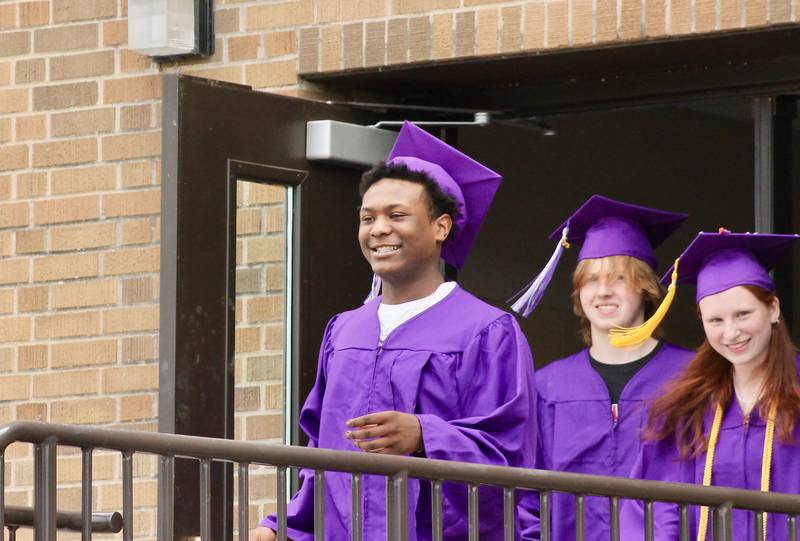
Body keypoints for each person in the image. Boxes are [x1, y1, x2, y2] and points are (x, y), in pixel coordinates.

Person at [251, 121, 537, 540]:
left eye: (397, 215)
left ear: (441, 227)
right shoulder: (344, 331)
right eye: (368, 218)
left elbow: (511, 455)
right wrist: (283, 524)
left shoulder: (487, 332)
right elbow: (321, 453)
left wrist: (425, 436)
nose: (378, 229)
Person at [513, 195, 694, 541]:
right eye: (591, 280)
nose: (603, 292)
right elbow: (526, 497)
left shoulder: (691, 379)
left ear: (646, 288)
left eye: (619, 278)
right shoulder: (547, 387)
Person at [620, 230, 800, 541]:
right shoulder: (686, 410)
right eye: (715, 320)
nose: (731, 333)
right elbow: (654, 507)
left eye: (743, 314)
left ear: (773, 309)